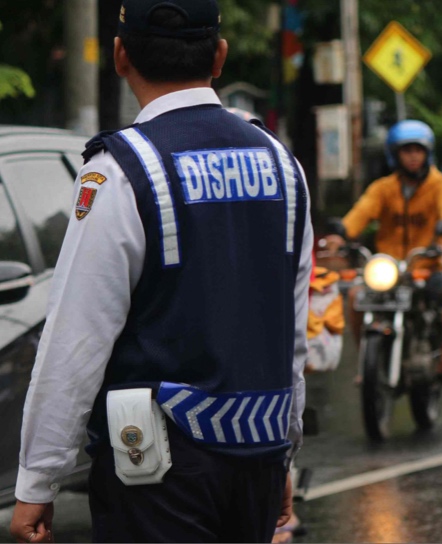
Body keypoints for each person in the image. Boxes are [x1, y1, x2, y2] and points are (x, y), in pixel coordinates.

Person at [9, 0, 312, 541]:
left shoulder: (122, 170)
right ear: (219, 56)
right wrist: (284, 449)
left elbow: (76, 338)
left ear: (121, 56)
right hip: (258, 457)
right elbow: (291, 333)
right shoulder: (282, 165)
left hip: (159, 473)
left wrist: (37, 480)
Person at [327, 120, 442, 386]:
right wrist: (341, 236)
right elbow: (360, 213)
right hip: (388, 269)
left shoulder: (441, 185)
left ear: (427, 153)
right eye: (406, 150)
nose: (412, 156)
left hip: (425, 266)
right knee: (354, 295)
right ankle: (367, 363)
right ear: (394, 154)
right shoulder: (383, 188)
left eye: (417, 150)